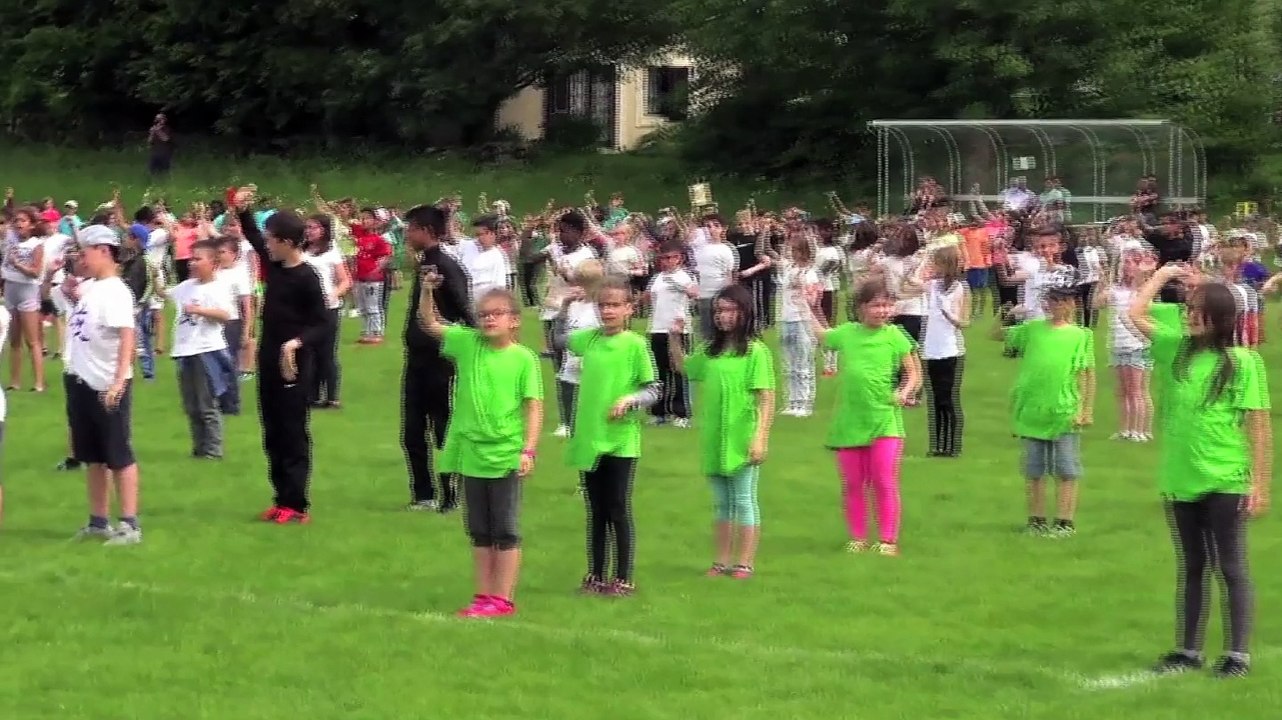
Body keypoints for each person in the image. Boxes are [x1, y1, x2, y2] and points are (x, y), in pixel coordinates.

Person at [1129, 266, 1271, 678]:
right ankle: (1187, 650)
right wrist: (1162, 275)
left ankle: (1237, 655)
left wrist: (1260, 485)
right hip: (1180, 477)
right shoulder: (1176, 349)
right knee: (1192, 565)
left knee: (1231, 566)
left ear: (1221, 318)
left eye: (1200, 311)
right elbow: (1134, 314)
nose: (1191, 317)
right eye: (1189, 309)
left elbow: (1259, 429)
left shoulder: (1242, 362)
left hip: (1226, 478)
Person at [416, 278, 542, 618]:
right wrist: (426, 291)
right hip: (471, 452)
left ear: (514, 320)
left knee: (506, 529)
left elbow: (533, 407)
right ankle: (483, 595)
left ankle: (503, 599)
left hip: (506, 454)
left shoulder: (523, 359)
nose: (488, 319)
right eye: (483, 314)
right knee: (480, 530)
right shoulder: (468, 344)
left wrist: (528, 450)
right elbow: (429, 323)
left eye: (496, 314)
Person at [801, 279, 921, 556]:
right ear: (861, 307)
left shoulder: (895, 335)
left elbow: (914, 372)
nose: (882, 311)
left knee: (884, 480)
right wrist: (809, 306)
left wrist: (904, 392)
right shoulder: (848, 333)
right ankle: (858, 537)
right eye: (876, 305)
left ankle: (888, 540)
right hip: (850, 420)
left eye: (887, 305)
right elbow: (822, 335)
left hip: (884, 419)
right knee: (853, 483)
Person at [234, 190, 330, 524]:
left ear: (288, 242)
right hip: (268, 361)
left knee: (292, 432)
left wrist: (296, 343)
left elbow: (322, 324)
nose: (267, 245)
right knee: (272, 431)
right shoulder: (275, 266)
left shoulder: (308, 277)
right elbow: (251, 234)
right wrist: (243, 209)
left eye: (272, 240)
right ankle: (280, 499)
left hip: (294, 367)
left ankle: (297, 503)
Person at [667, 285, 774, 578]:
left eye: (729, 310)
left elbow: (766, 398)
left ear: (744, 312)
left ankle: (744, 562)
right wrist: (674, 338)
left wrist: (760, 437)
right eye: (718, 310)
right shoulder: (710, 351)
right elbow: (684, 368)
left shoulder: (755, 351)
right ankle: (721, 561)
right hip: (714, 437)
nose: (722, 316)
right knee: (721, 503)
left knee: (744, 500)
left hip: (741, 437)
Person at [566, 278, 660, 596]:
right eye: (603, 305)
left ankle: (622, 577)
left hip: (621, 439)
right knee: (596, 510)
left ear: (629, 309)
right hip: (590, 437)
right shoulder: (590, 339)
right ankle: (595, 574)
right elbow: (558, 341)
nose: (608, 311)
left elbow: (653, 389)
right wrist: (566, 307)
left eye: (615, 305)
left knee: (617, 507)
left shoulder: (635, 344)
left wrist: (630, 399)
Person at [996, 265, 1095, 537]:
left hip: (1064, 409)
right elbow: (997, 335)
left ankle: (1065, 521)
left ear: (1072, 303)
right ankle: (1036, 520)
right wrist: (1005, 314)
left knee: (1066, 469)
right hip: (1032, 409)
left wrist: (1086, 409)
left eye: (1062, 300)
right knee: (1034, 469)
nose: (1056, 305)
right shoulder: (1033, 329)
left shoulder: (1080, 335)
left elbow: (1087, 374)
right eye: (1052, 299)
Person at [63, 225, 143, 545]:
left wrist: (118, 381)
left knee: (118, 454)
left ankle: (130, 524)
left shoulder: (116, 291)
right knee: (93, 456)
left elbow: (127, 336)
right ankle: (98, 521)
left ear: (104, 251)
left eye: (85, 253)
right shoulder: (92, 288)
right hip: (81, 380)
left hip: (105, 384)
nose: (81, 259)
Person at [401, 204, 474, 512]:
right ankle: (423, 493)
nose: (407, 235)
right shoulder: (425, 263)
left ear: (427, 231)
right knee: (412, 431)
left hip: (440, 361)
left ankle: (450, 494)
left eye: (411, 229)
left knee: (443, 427)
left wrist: (476, 345)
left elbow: (464, 309)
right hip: (417, 360)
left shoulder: (446, 265)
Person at [167, 239, 235, 459]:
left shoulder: (218, 287)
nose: (192, 263)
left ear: (213, 263)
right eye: (191, 259)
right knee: (191, 405)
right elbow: (165, 294)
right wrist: (155, 274)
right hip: (184, 350)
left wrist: (200, 310)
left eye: (198, 259)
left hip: (206, 350)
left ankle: (213, 450)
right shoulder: (186, 286)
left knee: (206, 403)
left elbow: (225, 315)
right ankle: (199, 448)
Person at [921, 245, 969, 457]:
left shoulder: (960, 287)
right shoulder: (933, 286)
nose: (933, 266)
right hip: (931, 348)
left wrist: (949, 314)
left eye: (937, 263)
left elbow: (964, 321)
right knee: (935, 399)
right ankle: (937, 444)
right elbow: (910, 283)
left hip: (950, 350)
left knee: (947, 398)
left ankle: (951, 445)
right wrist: (923, 260)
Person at [643, 241, 696, 427]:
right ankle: (659, 412)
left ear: (678, 258)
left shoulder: (684, 276)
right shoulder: (657, 278)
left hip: (677, 330)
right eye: (662, 258)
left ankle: (682, 413)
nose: (665, 262)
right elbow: (647, 297)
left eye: (669, 258)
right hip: (657, 328)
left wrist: (682, 289)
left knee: (678, 370)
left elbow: (694, 293)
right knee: (658, 372)